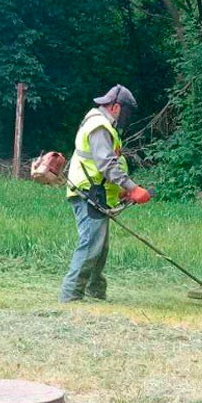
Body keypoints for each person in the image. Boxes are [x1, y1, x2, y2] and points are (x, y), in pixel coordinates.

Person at [59, 85, 151, 303]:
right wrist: (132, 188)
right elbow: (106, 165)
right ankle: (70, 296)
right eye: (126, 112)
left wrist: (120, 193)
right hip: (88, 192)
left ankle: (95, 292)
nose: (126, 118)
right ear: (116, 106)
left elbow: (103, 166)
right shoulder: (99, 126)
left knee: (99, 248)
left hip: (96, 192)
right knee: (91, 245)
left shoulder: (102, 125)